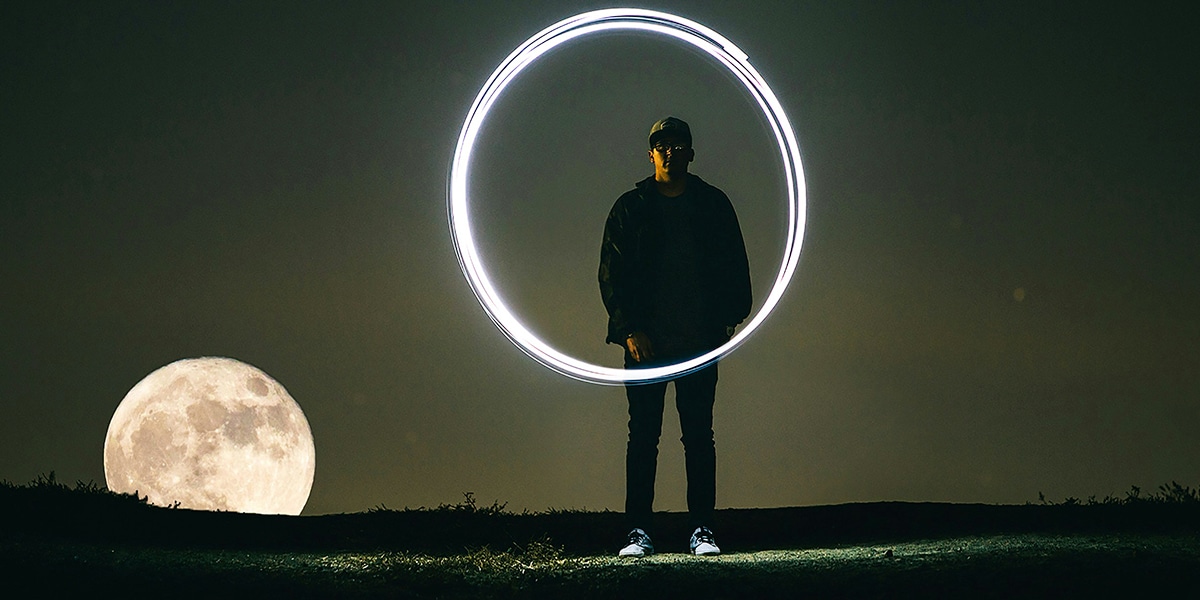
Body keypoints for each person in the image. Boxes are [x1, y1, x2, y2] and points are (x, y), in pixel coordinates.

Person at [598, 117, 752, 557]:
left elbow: (733, 264)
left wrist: (727, 322)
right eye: (661, 145)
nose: (670, 151)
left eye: (678, 144)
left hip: (699, 341)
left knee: (699, 436)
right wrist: (629, 329)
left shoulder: (712, 204)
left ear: (690, 152)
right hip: (645, 344)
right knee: (644, 437)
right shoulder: (630, 207)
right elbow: (612, 273)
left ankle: (702, 530)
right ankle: (637, 532)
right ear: (651, 154)